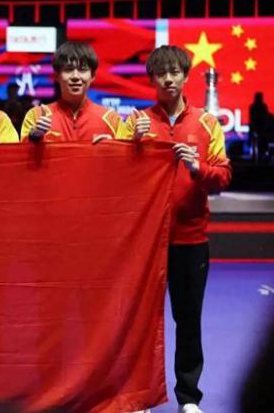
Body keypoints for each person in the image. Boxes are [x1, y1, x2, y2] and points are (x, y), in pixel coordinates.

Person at [119, 45, 232, 413]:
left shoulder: (207, 123)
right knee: (139, 323)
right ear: (151, 79)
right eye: (161, 73)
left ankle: (188, 398)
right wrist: (132, 146)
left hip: (190, 241)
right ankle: (138, 396)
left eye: (175, 72)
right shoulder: (136, 122)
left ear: (185, 76)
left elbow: (223, 177)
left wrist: (199, 168)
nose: (168, 79)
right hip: (145, 243)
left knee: (188, 321)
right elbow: (116, 177)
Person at [21, 41, 124, 143]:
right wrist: (34, 138)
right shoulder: (36, 116)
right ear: (56, 76)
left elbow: (125, 152)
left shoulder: (111, 119)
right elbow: (21, 152)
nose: (75, 76)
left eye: (82, 70)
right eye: (68, 69)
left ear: (93, 76)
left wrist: (113, 147)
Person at [249, 92, 271, 162]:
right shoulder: (254, 107)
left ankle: (262, 156)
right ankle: (254, 156)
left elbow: (265, 117)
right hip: (256, 127)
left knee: (262, 142)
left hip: (261, 127)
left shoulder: (262, 106)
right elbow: (252, 118)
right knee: (254, 143)